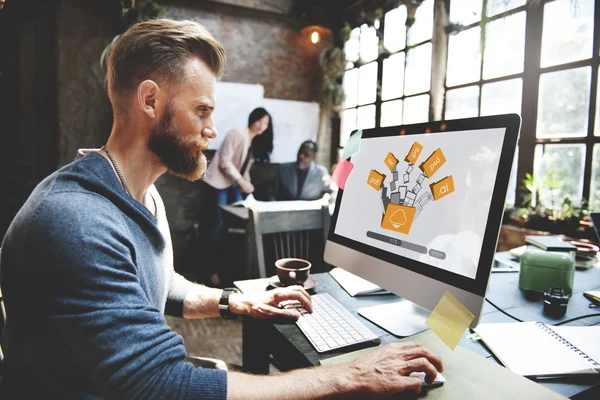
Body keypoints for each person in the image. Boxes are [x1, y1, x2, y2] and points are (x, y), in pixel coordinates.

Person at [0, 18, 443, 399]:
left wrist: (239, 303)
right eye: (202, 110)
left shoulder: (140, 194)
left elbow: (159, 283)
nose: (212, 129)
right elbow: (165, 385)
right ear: (150, 101)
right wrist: (350, 377)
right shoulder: (75, 221)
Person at [202, 107, 272, 284]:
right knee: (215, 227)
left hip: (232, 184)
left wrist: (247, 184)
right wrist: (241, 182)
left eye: (266, 123)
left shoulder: (253, 140)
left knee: (236, 226)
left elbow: (244, 167)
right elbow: (225, 161)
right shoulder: (237, 133)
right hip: (218, 183)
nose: (262, 125)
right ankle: (211, 271)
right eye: (260, 121)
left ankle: (230, 269)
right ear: (253, 119)